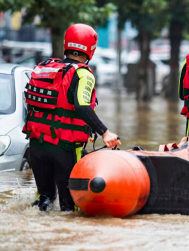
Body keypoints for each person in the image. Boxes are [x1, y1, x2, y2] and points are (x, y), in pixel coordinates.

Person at [23, 24, 121, 212]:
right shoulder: (83, 74)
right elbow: (82, 105)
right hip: (64, 148)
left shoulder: (44, 68)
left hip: (36, 145)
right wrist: (105, 133)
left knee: (44, 199)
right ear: (91, 49)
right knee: (70, 208)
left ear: (66, 44)